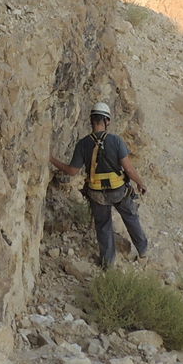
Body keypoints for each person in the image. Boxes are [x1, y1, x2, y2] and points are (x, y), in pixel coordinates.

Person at [50, 101, 149, 269]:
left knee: (103, 226)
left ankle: (108, 263)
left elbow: (72, 171)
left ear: (91, 120)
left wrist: (51, 159)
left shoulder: (83, 144)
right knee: (131, 217)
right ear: (107, 121)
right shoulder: (116, 141)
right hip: (118, 190)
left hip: (96, 193)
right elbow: (129, 169)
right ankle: (143, 251)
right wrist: (140, 183)